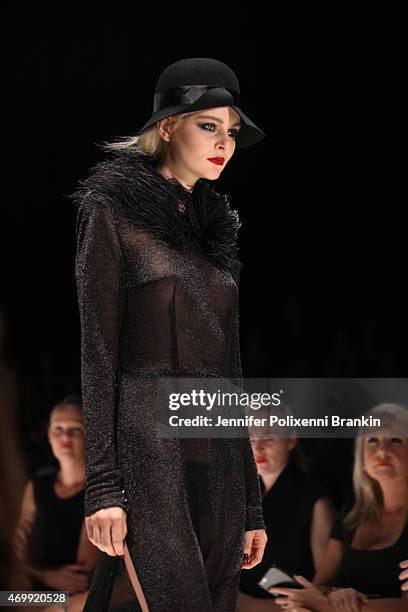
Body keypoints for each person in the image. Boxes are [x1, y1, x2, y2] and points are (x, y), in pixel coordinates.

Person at [71, 57, 268, 611]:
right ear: (166, 127)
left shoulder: (215, 233)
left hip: (220, 465)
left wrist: (252, 505)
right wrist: (104, 486)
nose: (224, 143)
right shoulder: (111, 211)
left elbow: (231, 371)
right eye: (208, 125)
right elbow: (98, 352)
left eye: (230, 131)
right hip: (148, 457)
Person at [268, 402, 408, 611]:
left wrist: (329, 606)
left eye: (395, 439)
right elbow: (320, 586)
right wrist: (336, 593)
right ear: (361, 458)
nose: (382, 450)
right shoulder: (352, 513)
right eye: (372, 440)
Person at [236, 404, 335, 611]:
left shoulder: (314, 499)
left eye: (269, 437)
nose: (258, 448)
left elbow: (322, 587)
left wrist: (252, 606)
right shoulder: (241, 494)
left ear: (291, 439)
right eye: (251, 439)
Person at [16, 395, 99, 609]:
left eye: (75, 430)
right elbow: (16, 551)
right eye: (58, 429)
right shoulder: (36, 486)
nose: (65, 437)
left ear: (89, 436)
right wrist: (44, 576)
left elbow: (80, 582)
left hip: (75, 601)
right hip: (34, 595)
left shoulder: (96, 491)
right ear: (49, 436)